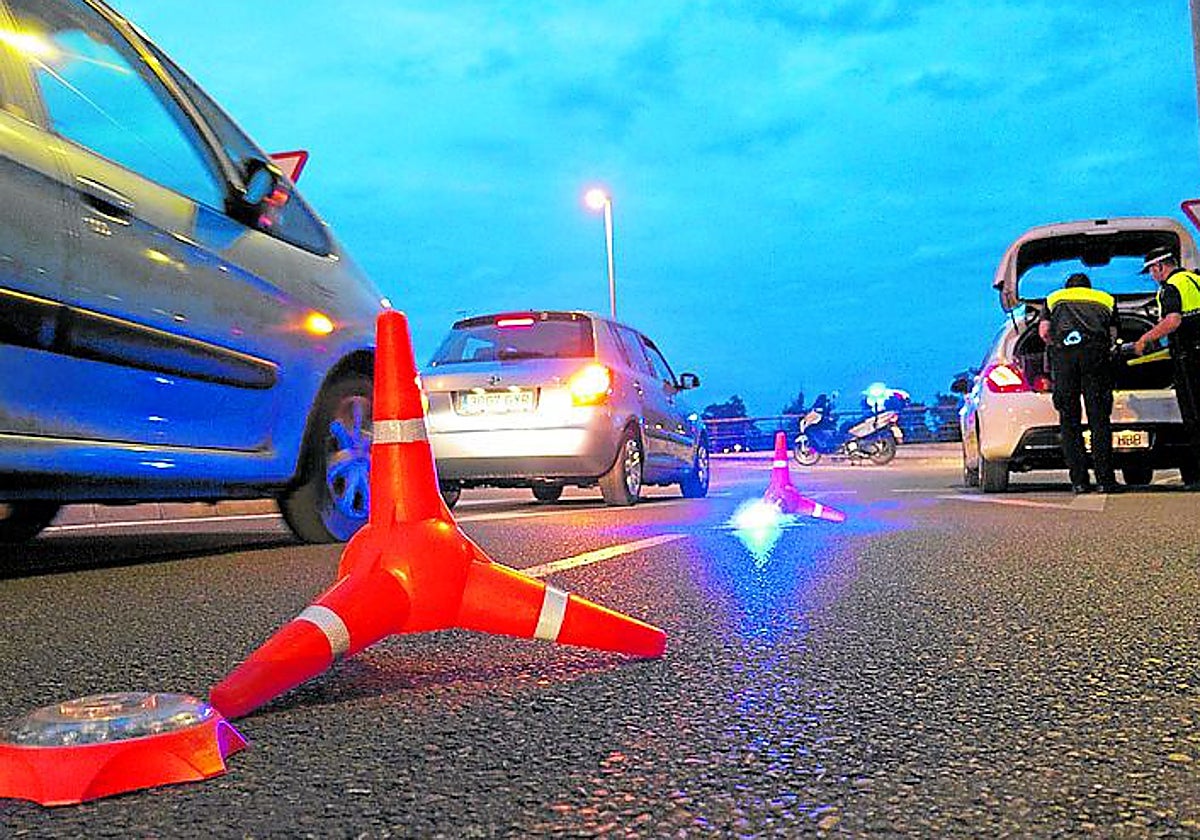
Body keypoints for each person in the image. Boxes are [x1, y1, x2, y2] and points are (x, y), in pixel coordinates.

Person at [1038, 272, 1119, 493]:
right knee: (1099, 420)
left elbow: (1044, 331)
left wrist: (1057, 345)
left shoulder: (1054, 298)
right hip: (1096, 356)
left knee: (1069, 420)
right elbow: (1113, 334)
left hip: (1065, 359)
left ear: (1068, 287)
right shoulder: (1106, 299)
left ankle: (1079, 481)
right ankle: (1105, 480)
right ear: (1089, 287)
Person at [1133, 245, 1200, 483]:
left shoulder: (1170, 288)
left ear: (1160, 266)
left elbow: (1172, 321)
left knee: (1194, 417)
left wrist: (1144, 339)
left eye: (1152, 270)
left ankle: (1197, 477)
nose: (1152, 276)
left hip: (1189, 358)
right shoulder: (1195, 279)